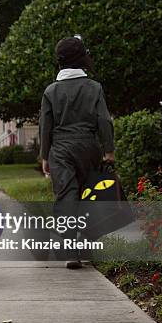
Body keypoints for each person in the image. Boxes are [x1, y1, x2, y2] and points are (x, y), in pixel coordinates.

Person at [39, 36, 115, 269]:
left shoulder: (51, 91)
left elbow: (45, 126)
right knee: (89, 196)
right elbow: (104, 120)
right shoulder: (94, 87)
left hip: (60, 149)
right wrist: (109, 150)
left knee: (66, 196)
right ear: (82, 59)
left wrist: (44, 155)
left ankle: (71, 249)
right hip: (89, 147)